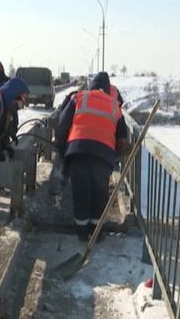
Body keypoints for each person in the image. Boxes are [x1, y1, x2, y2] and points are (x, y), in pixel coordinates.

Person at [55, 71, 129, 242]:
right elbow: (122, 137)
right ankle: (96, 233)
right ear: (108, 88)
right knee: (99, 193)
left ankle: (81, 232)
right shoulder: (114, 105)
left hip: (78, 151)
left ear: (92, 85)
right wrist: (116, 155)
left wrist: (62, 151)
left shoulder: (79, 98)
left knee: (81, 192)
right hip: (103, 155)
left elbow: (62, 123)